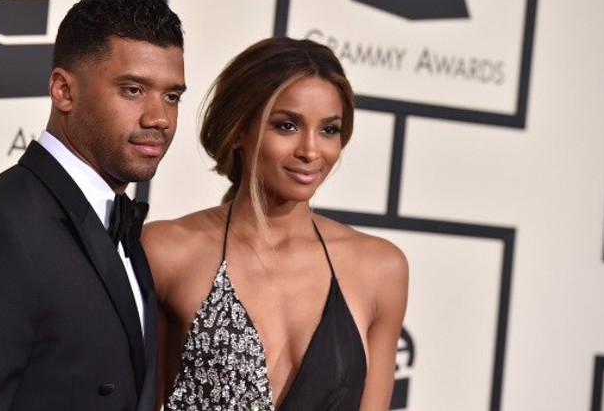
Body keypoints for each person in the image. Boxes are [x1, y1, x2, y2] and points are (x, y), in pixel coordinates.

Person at [0, 0, 185, 410]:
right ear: (63, 91)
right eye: (132, 90)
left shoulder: (121, 230)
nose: (159, 117)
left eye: (172, 96)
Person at [141, 37, 408, 410]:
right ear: (239, 130)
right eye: (286, 126)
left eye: (329, 130)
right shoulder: (167, 250)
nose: (311, 151)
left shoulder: (380, 268)